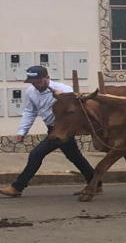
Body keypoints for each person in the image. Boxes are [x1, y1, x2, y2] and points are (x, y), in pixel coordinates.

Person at [0, 66, 95, 198]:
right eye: (33, 82)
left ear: (47, 78)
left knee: (36, 154)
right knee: (74, 157)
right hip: (52, 128)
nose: (36, 85)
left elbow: (75, 111)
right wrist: (22, 131)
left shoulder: (64, 91)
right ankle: (96, 182)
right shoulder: (31, 92)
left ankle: (17, 187)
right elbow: (30, 112)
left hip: (62, 129)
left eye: (38, 81)